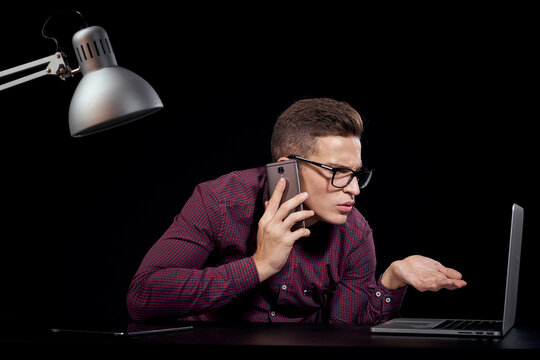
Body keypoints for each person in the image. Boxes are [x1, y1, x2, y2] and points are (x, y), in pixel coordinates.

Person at [127, 97, 467, 323]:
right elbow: (143, 296)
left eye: (356, 173)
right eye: (337, 172)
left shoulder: (354, 231)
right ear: (287, 168)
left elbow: (343, 332)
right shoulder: (218, 202)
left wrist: (391, 280)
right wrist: (258, 266)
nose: (352, 189)